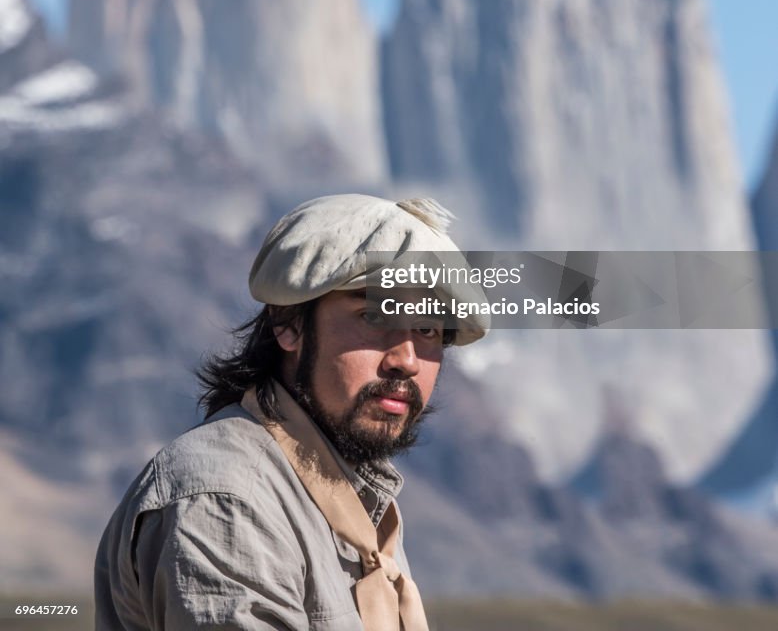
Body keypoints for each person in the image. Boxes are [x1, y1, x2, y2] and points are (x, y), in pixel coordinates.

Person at [94, 193, 488, 630]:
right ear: (289, 324)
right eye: (375, 316)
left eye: (428, 328)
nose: (407, 360)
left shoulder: (356, 503)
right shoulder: (229, 498)